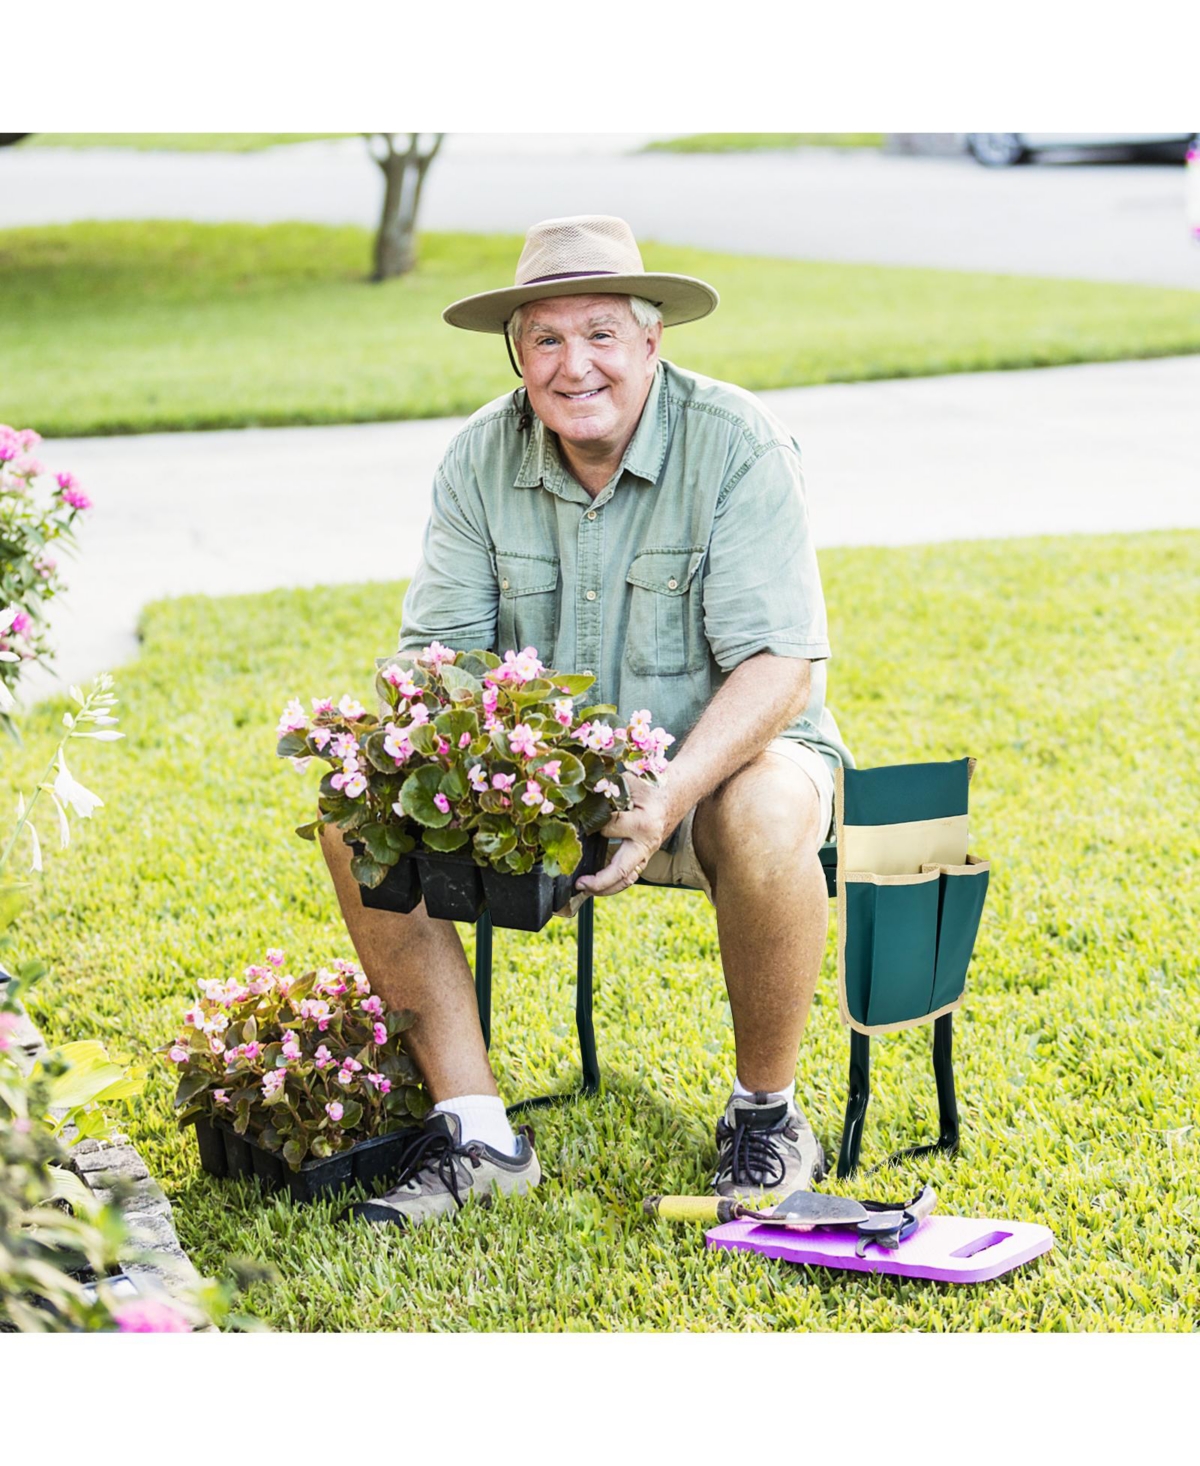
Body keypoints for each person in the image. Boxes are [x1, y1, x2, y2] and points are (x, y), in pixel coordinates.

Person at [323, 215, 854, 1228]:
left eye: (602, 333)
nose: (576, 367)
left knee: (768, 811)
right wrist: (502, 798)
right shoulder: (479, 458)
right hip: (547, 777)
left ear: (653, 341)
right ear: (517, 353)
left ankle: (766, 1115)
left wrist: (667, 794)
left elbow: (783, 663)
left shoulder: (736, 444)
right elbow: (435, 656)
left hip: (723, 765)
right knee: (355, 815)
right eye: (547, 341)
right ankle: (476, 1131)